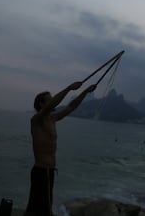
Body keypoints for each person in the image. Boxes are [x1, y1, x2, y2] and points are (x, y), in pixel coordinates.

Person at [25, 81, 96, 216]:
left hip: (49, 172)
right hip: (41, 172)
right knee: (38, 210)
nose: (53, 102)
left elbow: (71, 106)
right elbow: (53, 104)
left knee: (40, 209)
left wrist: (86, 91)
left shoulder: (52, 119)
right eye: (49, 100)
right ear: (42, 104)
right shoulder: (36, 120)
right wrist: (69, 88)